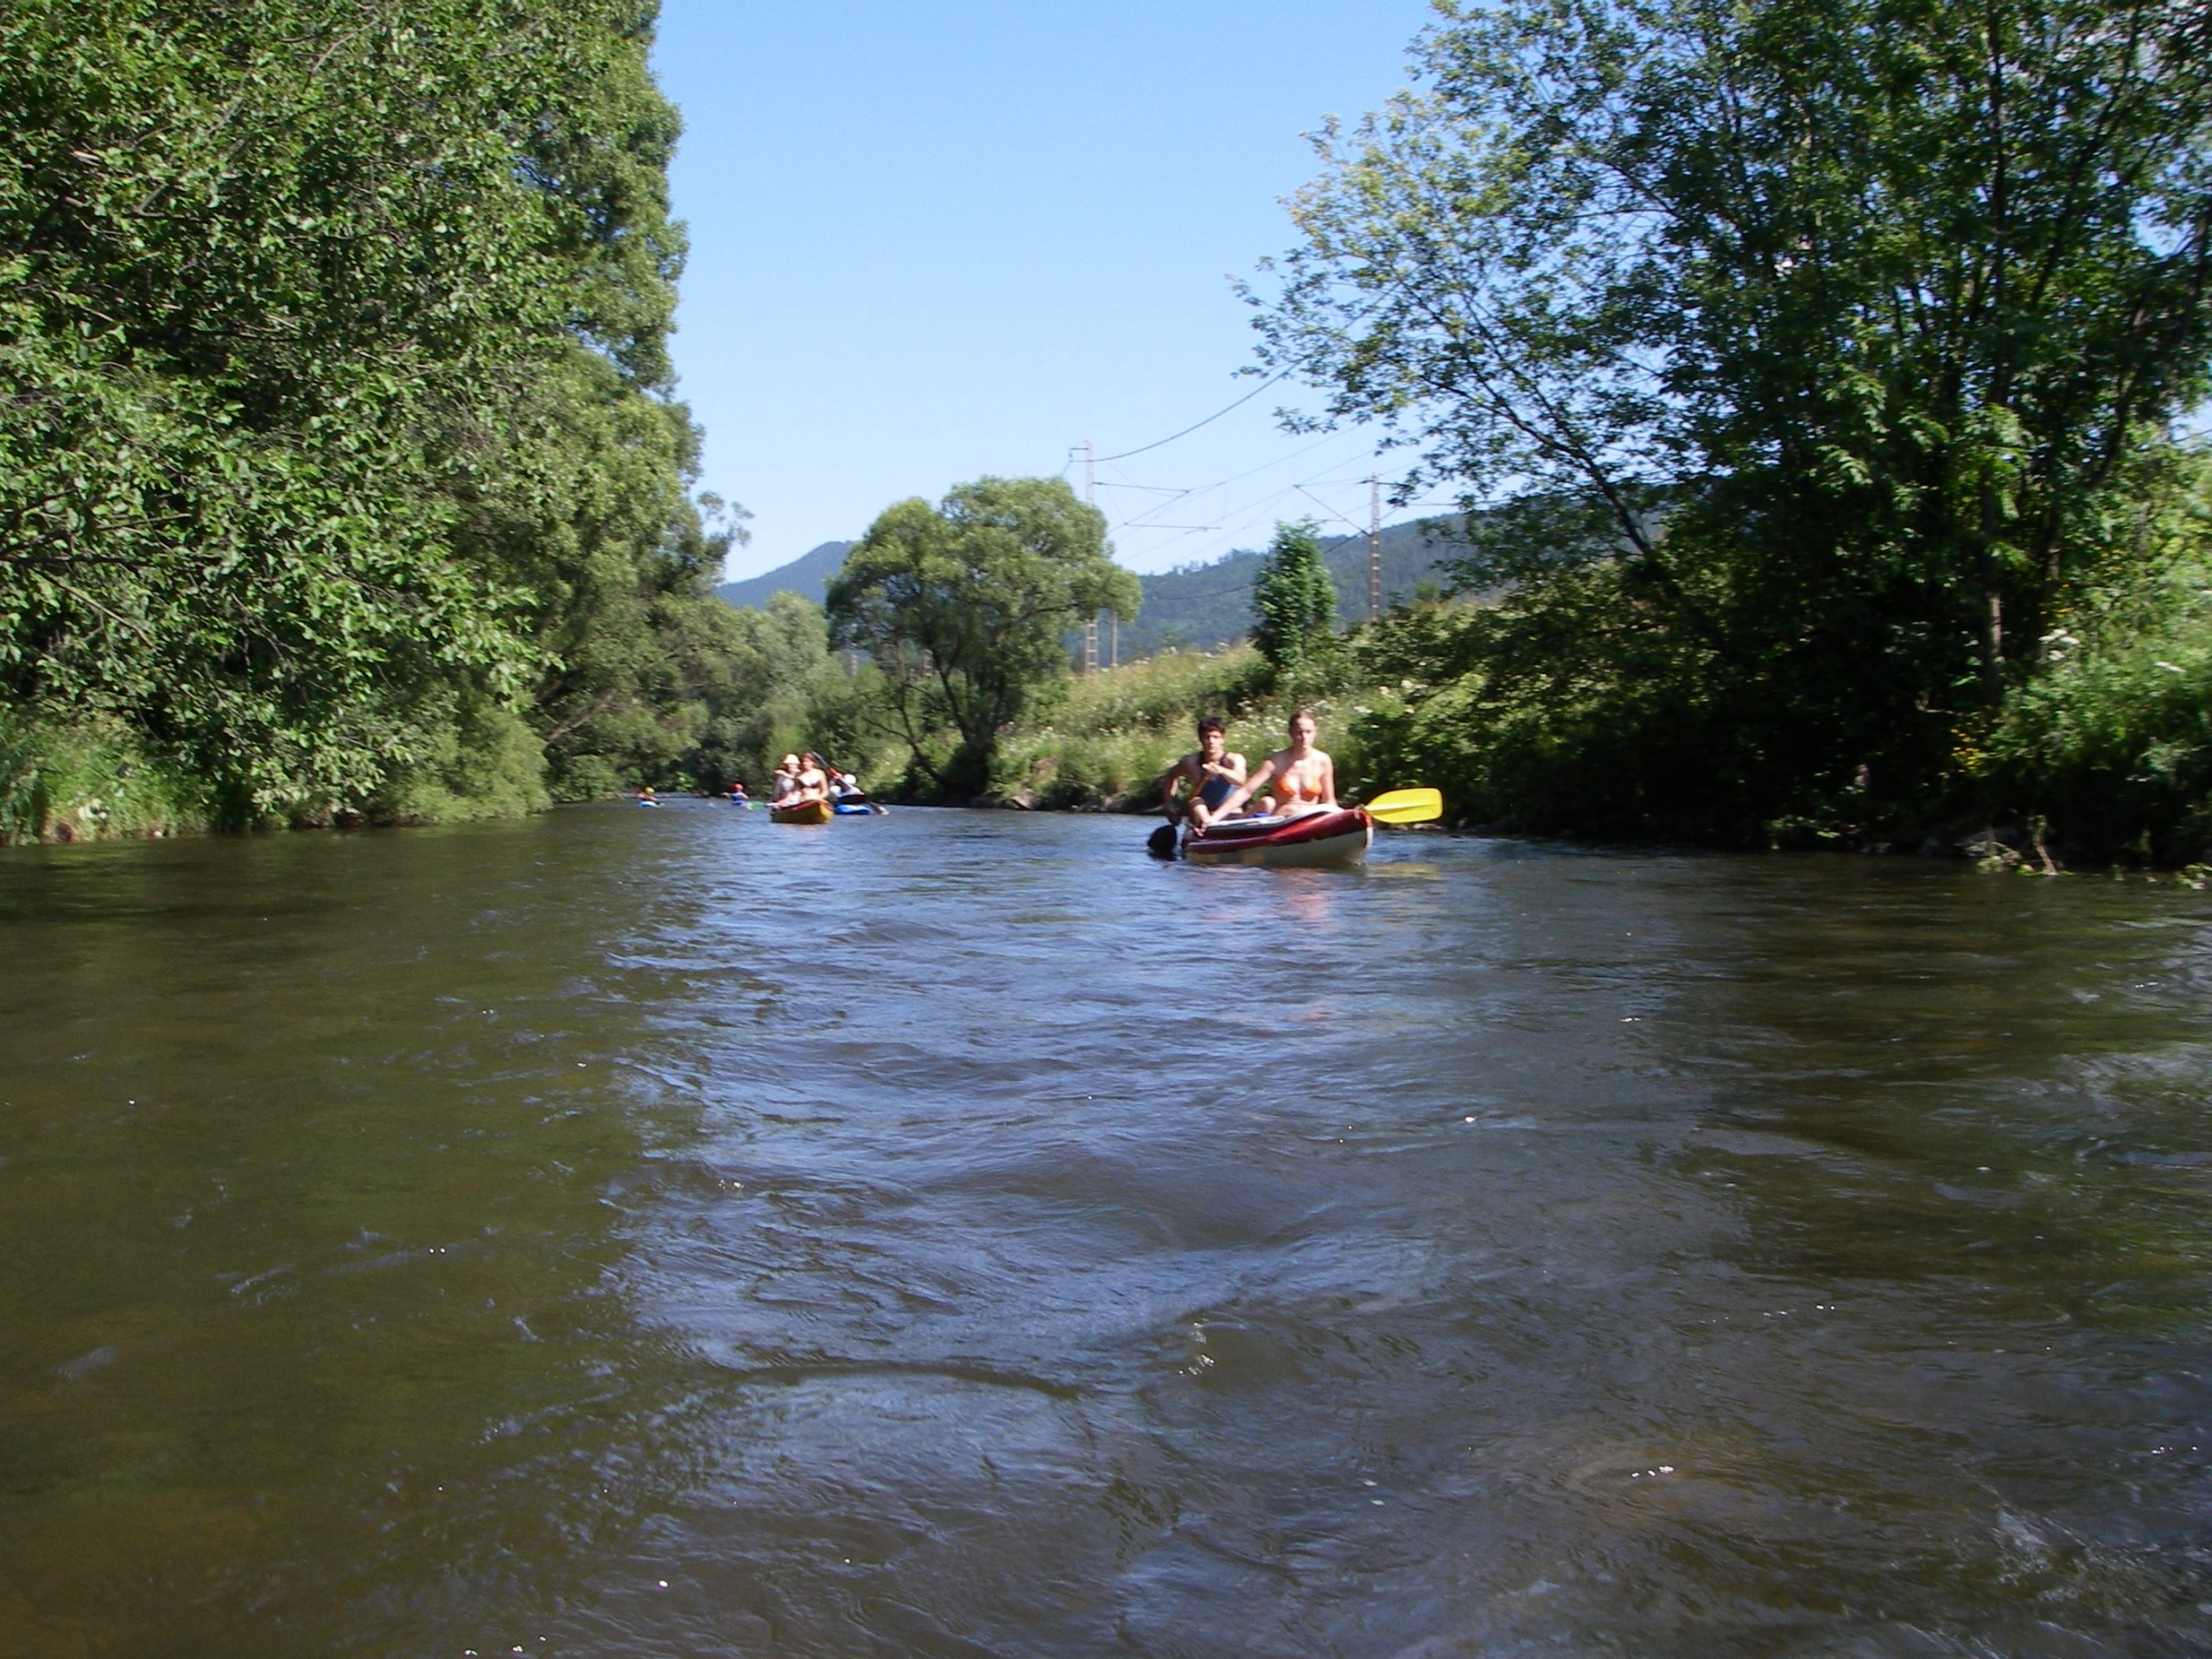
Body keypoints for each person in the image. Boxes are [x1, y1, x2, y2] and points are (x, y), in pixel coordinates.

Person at [1202, 708, 1338, 825]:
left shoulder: (1323, 761)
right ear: (1290, 732)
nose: (1304, 737)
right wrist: (1214, 818)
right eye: (1299, 732)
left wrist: (1337, 820)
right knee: (1267, 801)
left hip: (1310, 821)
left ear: (1315, 732)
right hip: (1283, 822)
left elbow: (1329, 799)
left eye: (1308, 732)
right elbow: (1246, 791)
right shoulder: (1276, 761)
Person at [1160, 715, 1247, 830]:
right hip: (1202, 813)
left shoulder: (1234, 759)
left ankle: (1212, 827)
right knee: (1196, 802)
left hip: (1231, 813)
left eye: (1216, 737)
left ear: (1223, 739)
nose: (1211, 742)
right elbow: (1171, 775)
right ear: (1200, 739)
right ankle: (1208, 827)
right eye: (1207, 737)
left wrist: (1221, 770)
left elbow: (1241, 781)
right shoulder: (1190, 762)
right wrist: (1168, 805)